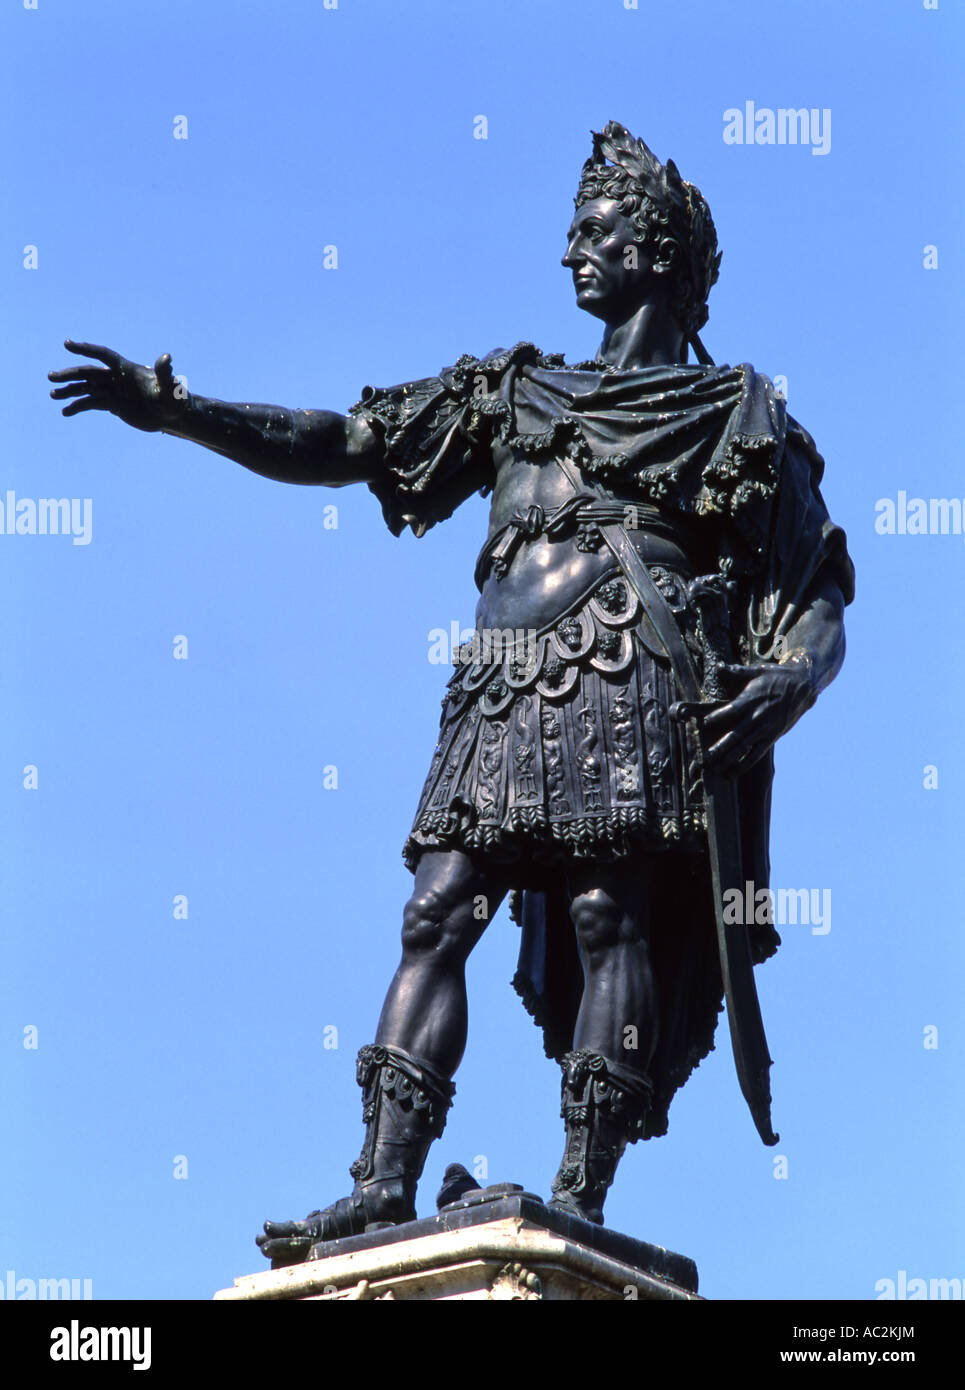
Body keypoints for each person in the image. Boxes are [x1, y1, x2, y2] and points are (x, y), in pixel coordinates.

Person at [49, 122, 853, 1262]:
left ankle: (580, 1184)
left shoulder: (738, 419)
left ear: (658, 251)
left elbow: (815, 593)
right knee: (436, 909)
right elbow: (345, 438)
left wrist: (788, 679)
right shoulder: (511, 389)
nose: (570, 251)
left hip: (634, 671)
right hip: (497, 684)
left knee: (602, 914)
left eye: (595, 232)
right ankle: (382, 1184)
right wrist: (183, 412)